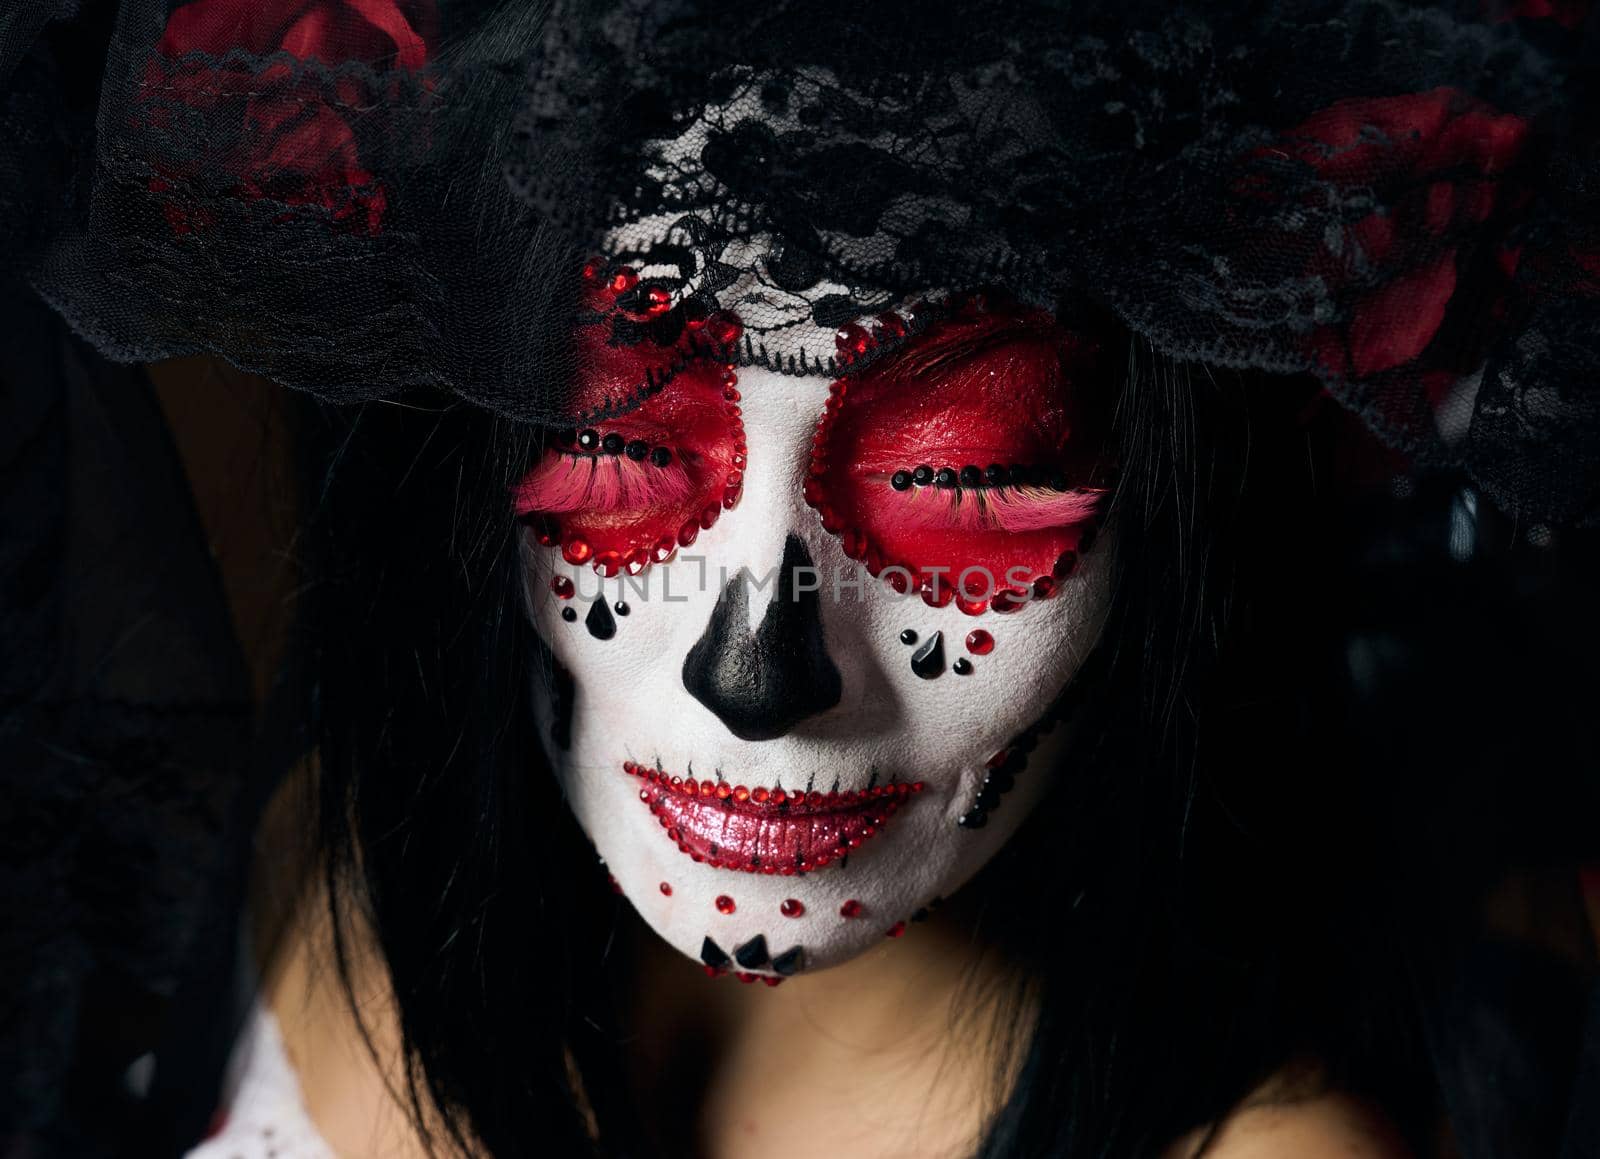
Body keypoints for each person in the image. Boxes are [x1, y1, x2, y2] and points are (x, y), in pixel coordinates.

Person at [2, 3, 1596, 1157]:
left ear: (1171, 521)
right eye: (619, 443)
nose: (753, 670)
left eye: (963, 479)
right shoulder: (319, 852)